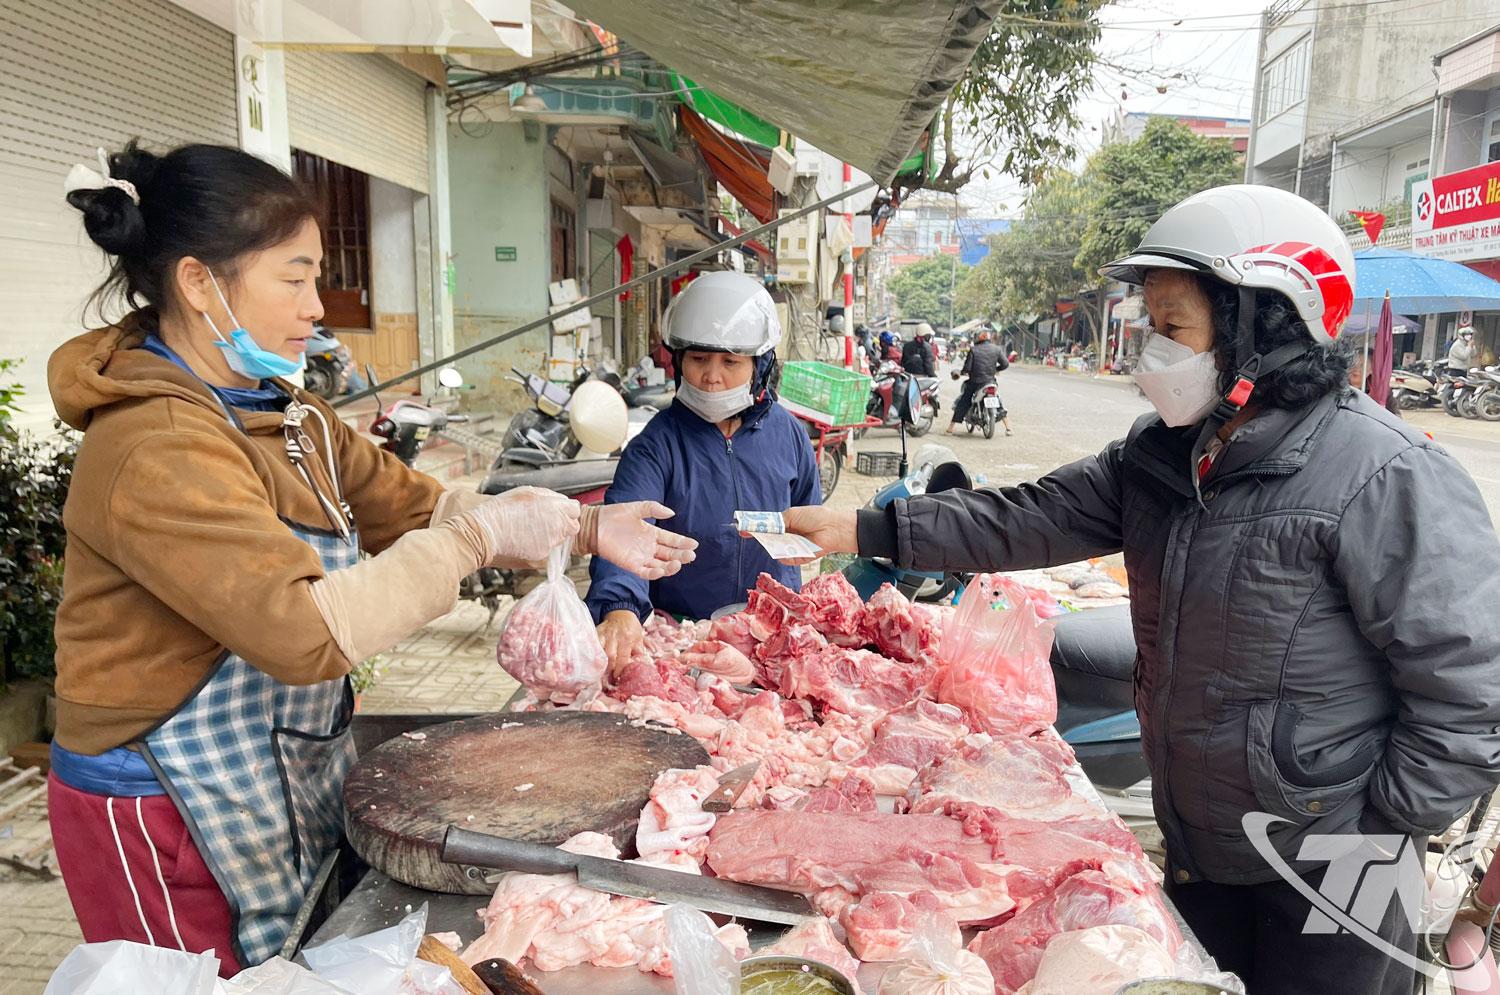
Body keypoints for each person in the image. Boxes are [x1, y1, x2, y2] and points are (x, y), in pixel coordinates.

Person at [780, 184, 1500, 995]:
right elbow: (1029, 515)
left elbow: (1470, 689)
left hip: (1345, 860)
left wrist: (1381, 825)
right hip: (1205, 844)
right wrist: (868, 530)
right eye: (1150, 324)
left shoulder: (1385, 472)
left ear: (1260, 332)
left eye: (1173, 327)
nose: (1149, 352)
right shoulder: (1160, 457)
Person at [46, 142, 697, 975]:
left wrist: (581, 528)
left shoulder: (283, 413)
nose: (317, 305)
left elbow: (412, 503)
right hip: (160, 802)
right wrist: (476, 541)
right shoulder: (156, 441)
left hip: (274, 765)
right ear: (199, 282)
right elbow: (300, 631)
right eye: (293, 277)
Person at [587, 271, 821, 670]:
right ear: (679, 360)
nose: (712, 376)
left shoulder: (790, 436)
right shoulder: (655, 445)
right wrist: (621, 609)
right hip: (682, 639)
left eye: (731, 361)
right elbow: (621, 530)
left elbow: (806, 518)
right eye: (698, 359)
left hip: (771, 638)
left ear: (760, 366)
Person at [947, 328, 1011, 436]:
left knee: (964, 401)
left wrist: (962, 372)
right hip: (990, 381)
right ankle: (1008, 427)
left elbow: (967, 368)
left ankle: (951, 428)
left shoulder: (973, 350)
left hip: (975, 382)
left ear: (977, 338)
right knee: (998, 400)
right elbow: (1005, 364)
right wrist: (996, 370)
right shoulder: (996, 349)